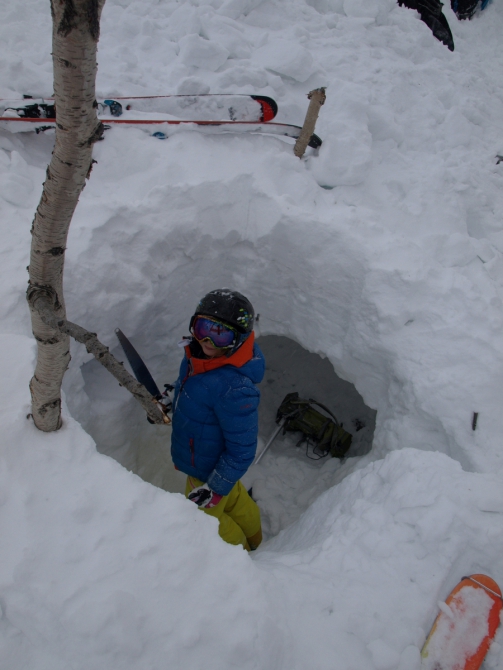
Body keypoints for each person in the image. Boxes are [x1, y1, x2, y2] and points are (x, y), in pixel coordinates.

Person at [170, 289, 265, 551]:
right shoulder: (196, 357)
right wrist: (172, 403)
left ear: (239, 339)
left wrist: (214, 488)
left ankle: (243, 555)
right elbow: (190, 391)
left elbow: (242, 451)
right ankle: (256, 539)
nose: (208, 340)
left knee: (207, 523)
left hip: (206, 472)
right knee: (234, 499)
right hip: (208, 462)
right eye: (203, 328)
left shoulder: (234, 388)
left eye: (221, 334)